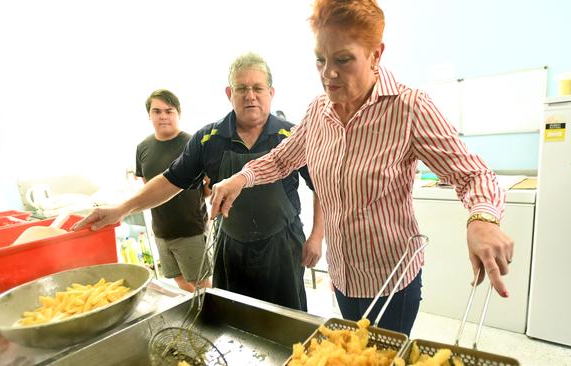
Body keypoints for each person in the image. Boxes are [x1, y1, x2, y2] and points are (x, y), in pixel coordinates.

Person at [209, 0, 513, 336]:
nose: (328, 73)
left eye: (343, 59)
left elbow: (472, 174)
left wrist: (483, 219)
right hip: (341, 274)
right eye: (320, 60)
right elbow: (283, 159)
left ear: (375, 54)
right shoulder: (318, 111)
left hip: (390, 279)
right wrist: (241, 178)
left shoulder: (408, 107)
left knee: (383, 357)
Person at [73, 53, 324, 312]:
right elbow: (171, 181)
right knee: (236, 321)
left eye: (258, 88)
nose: (250, 95)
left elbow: (321, 187)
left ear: (271, 92)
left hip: (282, 245)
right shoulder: (209, 139)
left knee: (288, 320)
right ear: (229, 93)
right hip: (230, 248)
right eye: (242, 88)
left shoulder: (291, 136)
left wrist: (316, 236)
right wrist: (120, 209)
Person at [135, 89, 211, 292]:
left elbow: (209, 186)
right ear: (149, 115)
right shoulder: (143, 147)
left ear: (178, 113)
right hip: (161, 230)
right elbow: (148, 188)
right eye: (157, 111)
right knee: (178, 280)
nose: (163, 116)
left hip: (190, 230)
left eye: (169, 111)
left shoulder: (193, 143)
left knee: (202, 287)